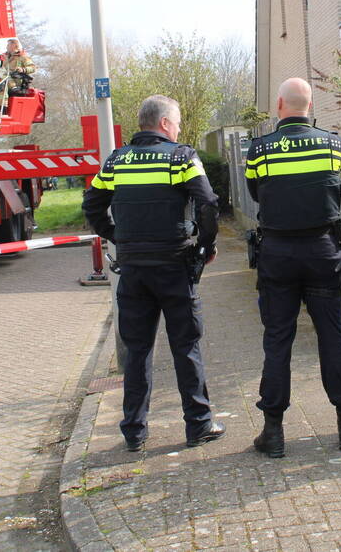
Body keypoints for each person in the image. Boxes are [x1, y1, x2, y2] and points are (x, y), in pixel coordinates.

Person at [82, 95, 224, 452]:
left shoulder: (116, 160)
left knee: (138, 350)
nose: (177, 130)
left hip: (133, 271)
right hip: (174, 267)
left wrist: (116, 236)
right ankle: (198, 425)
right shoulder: (181, 157)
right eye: (175, 123)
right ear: (163, 124)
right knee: (185, 346)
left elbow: (92, 204)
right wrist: (205, 247)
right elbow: (208, 203)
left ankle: (133, 431)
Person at [245, 77, 341, 459]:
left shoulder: (260, 150)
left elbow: (255, 193)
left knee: (277, 340)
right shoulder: (333, 144)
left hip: (277, 253)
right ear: (309, 106)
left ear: (279, 104)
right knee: (334, 337)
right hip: (323, 251)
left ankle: (273, 432)